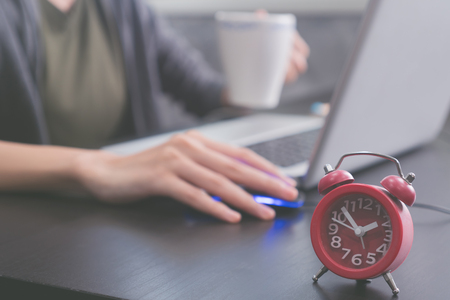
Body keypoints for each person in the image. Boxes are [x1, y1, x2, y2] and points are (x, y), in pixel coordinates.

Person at [0, 0, 310, 223]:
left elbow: (203, 91)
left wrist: (257, 73)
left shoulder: (128, 9)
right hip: (35, 221)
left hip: (121, 220)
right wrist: (97, 166)